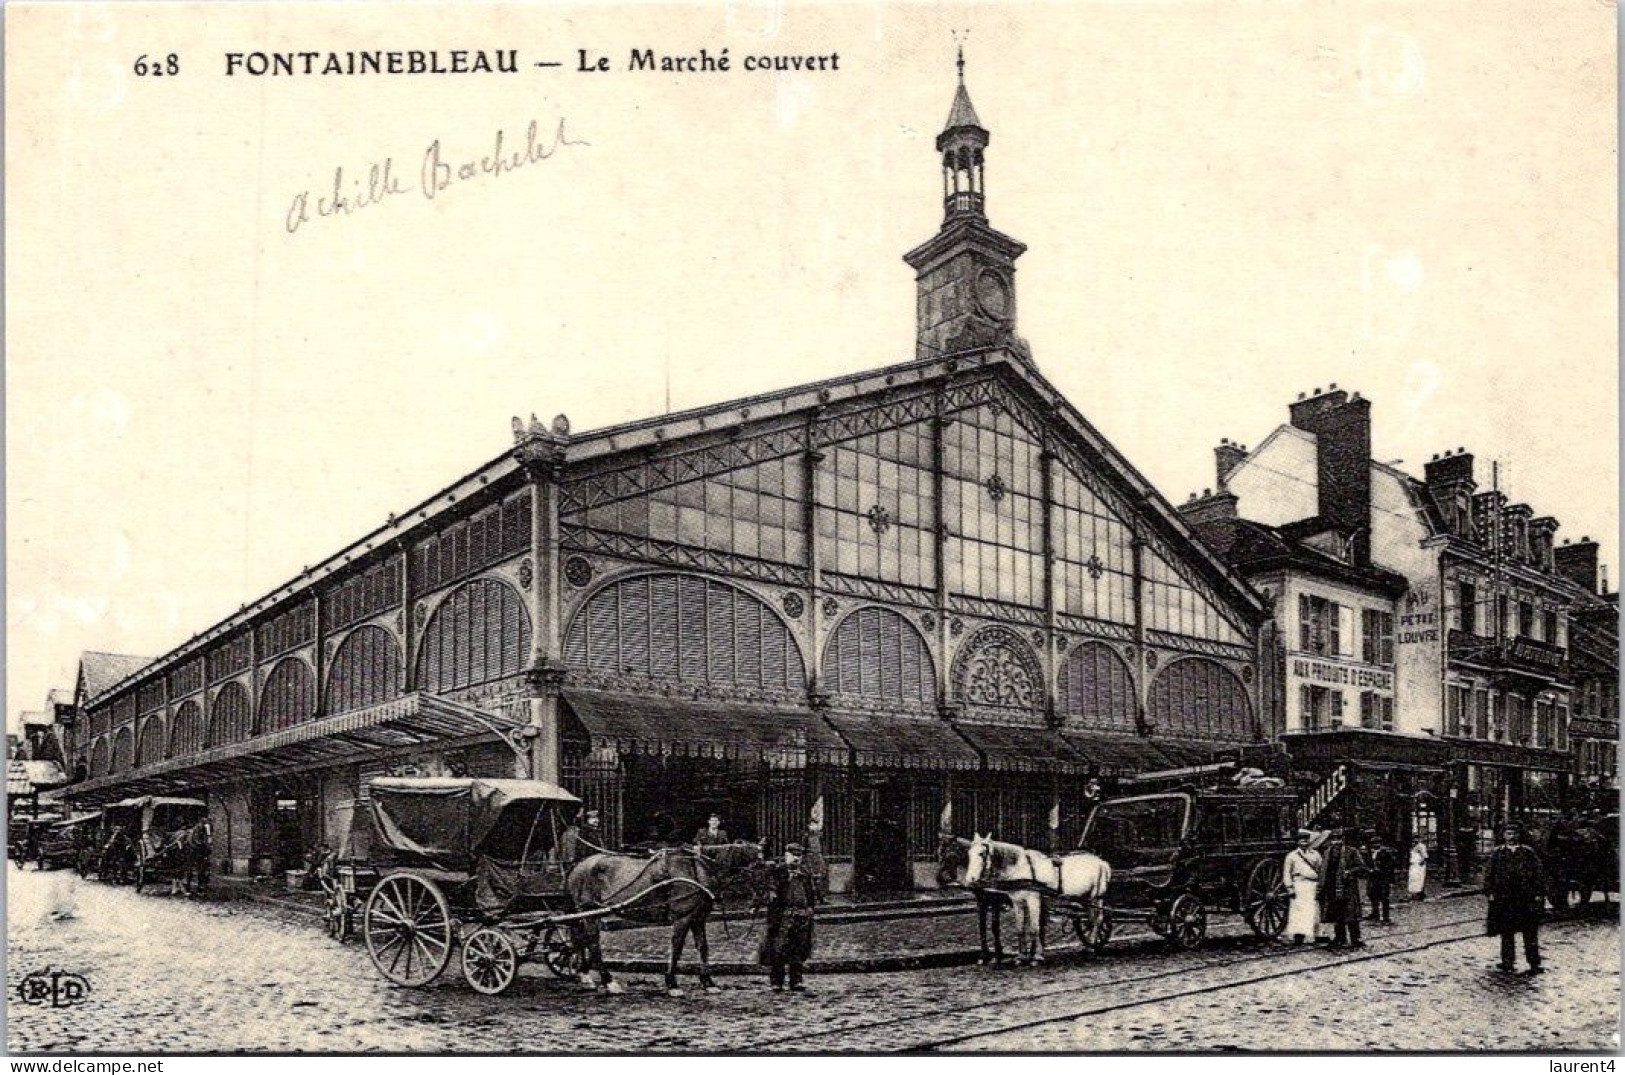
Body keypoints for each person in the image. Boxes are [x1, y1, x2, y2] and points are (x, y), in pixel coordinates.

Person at [1484, 821, 1546, 975]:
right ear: (1504, 836)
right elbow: (1489, 874)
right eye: (1508, 833)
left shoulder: (1528, 853)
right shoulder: (1497, 853)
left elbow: (1538, 873)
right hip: (1505, 898)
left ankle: (1534, 963)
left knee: (1530, 932)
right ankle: (1507, 961)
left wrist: (1538, 893)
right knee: (1506, 931)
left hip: (1525, 898)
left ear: (1519, 836)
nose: (1511, 836)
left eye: (1514, 833)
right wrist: (1490, 892)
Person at [760, 842, 820, 992]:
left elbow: (811, 893)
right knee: (779, 949)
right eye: (793, 856)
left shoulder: (805, 873)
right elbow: (770, 889)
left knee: (798, 949)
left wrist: (811, 908)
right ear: (786, 856)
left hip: (802, 916)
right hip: (783, 917)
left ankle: (796, 981)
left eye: (799, 856)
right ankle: (777, 982)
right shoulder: (777, 872)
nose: (796, 859)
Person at [1318, 830, 1369, 949]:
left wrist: (1350, 872)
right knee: (1337, 915)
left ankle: (1355, 939)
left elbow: (1362, 867)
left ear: (1343, 840)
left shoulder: (1351, 851)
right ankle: (1340, 938)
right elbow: (1323, 870)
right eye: (1334, 839)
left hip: (1348, 888)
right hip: (1332, 887)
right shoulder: (1327, 853)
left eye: (1339, 839)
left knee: (1351, 915)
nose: (1336, 842)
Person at [1283, 829, 1323, 945]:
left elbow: (1321, 870)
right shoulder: (1291, 856)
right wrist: (1289, 887)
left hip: (1313, 885)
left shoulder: (1315, 854)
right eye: (1301, 841)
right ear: (1298, 842)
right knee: (1298, 912)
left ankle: (1315, 935)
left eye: (1306, 840)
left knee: (1314, 910)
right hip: (1299, 885)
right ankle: (1298, 936)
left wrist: (1320, 885)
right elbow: (1286, 873)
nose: (1304, 843)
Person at [1367, 834, 1397, 924]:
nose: (1374, 846)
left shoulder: (1385, 853)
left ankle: (1386, 917)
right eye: (1373, 844)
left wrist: (1391, 880)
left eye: (1376, 844)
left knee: (1384, 898)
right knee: (1373, 896)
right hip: (1373, 878)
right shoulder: (1370, 853)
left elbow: (1390, 867)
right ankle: (1375, 914)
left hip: (1383, 878)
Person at [1407, 835, 1429, 900]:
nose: (1414, 841)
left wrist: (1421, 862)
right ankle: (1415, 893)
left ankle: (1418, 893)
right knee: (1413, 879)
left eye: (1416, 839)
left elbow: (1425, 856)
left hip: (1418, 865)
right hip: (1413, 864)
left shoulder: (1421, 846)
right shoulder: (1414, 847)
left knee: (1418, 879)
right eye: (1414, 839)